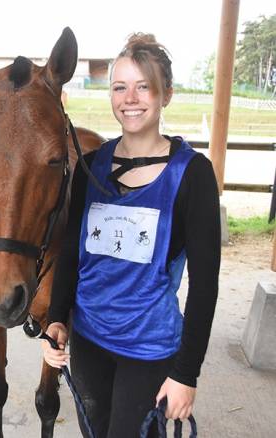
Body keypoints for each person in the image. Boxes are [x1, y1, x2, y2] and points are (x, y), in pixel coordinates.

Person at [42, 33, 220, 437]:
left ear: (166, 95)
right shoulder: (89, 169)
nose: (130, 98)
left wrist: (186, 373)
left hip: (150, 351)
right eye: (120, 87)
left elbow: (205, 285)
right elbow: (71, 255)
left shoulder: (193, 175)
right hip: (89, 344)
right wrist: (56, 320)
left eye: (143, 87)